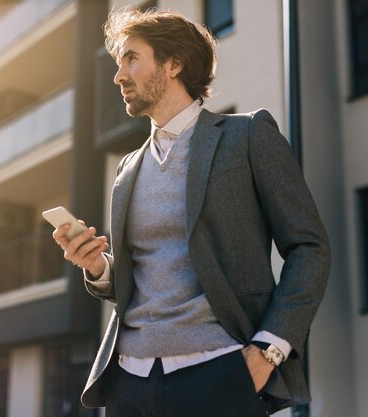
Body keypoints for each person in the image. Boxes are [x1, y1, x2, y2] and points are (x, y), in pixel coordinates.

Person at [52, 7, 330, 417]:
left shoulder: (247, 136)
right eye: (117, 63)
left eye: (132, 59)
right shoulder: (128, 168)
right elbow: (139, 279)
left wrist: (270, 348)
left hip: (218, 373)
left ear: (174, 63)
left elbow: (309, 247)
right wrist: (98, 267)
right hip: (129, 380)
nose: (119, 76)